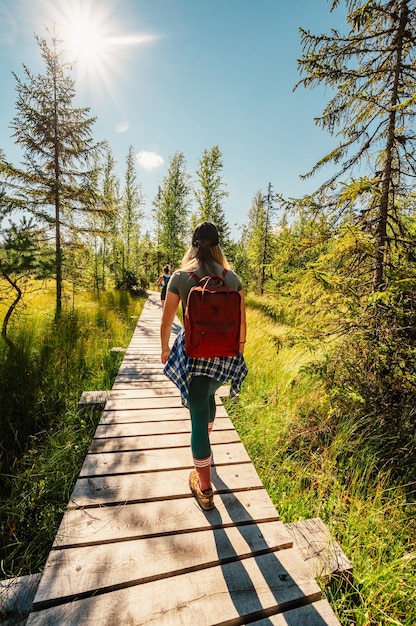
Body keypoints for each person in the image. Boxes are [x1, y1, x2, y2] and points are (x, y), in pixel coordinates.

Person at [160, 222, 247, 510]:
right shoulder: (231, 277)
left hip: (195, 357)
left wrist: (164, 348)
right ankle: (205, 451)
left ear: (194, 244)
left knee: (197, 418)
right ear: (217, 245)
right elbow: (242, 324)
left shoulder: (181, 277)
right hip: (225, 357)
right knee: (209, 398)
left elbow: (167, 319)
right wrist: (239, 352)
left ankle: (205, 488)